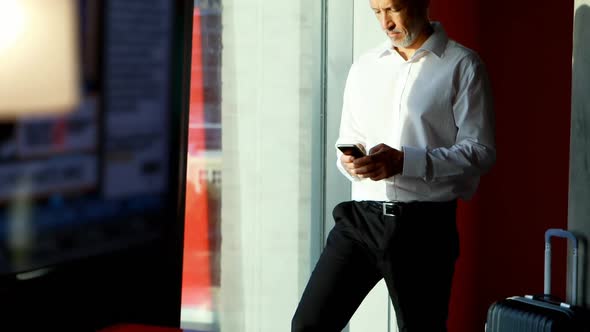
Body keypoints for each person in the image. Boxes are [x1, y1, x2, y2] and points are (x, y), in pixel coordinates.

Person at [291, 0, 496, 331]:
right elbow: (349, 140)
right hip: (360, 220)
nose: (385, 22)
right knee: (308, 325)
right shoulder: (364, 67)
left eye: (393, 8)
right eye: (376, 12)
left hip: (424, 227)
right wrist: (352, 162)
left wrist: (405, 162)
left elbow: (481, 151)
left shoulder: (462, 65)